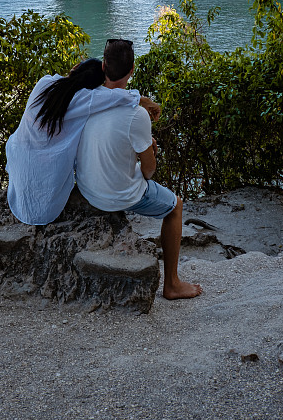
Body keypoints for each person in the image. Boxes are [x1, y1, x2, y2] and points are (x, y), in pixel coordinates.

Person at [75, 39, 203, 301]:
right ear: (132, 70)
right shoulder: (136, 115)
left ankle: (172, 282)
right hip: (115, 196)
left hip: (87, 188)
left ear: (103, 67)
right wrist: (149, 151)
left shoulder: (87, 98)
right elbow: (148, 172)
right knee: (175, 206)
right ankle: (172, 284)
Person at [5, 58, 146, 225]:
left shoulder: (45, 83)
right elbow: (120, 96)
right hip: (47, 182)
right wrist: (147, 102)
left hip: (18, 161)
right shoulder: (85, 100)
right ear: (94, 86)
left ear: (76, 67)